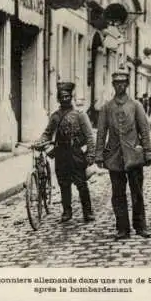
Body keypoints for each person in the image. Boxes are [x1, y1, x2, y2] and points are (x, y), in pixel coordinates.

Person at [95, 67, 151, 240]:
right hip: (114, 157)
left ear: (127, 85)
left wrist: (148, 153)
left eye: (123, 83)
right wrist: (99, 154)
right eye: (117, 83)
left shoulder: (136, 106)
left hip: (134, 157)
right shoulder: (107, 107)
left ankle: (140, 226)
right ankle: (122, 228)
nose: (120, 86)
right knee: (117, 194)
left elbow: (144, 130)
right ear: (113, 85)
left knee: (137, 193)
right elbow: (101, 132)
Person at [36, 82, 95, 223]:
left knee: (81, 184)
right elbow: (47, 133)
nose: (64, 99)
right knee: (64, 183)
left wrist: (91, 154)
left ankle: (88, 212)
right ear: (58, 98)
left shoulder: (80, 115)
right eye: (62, 96)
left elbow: (89, 136)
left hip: (76, 153)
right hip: (61, 153)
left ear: (71, 97)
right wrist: (41, 141)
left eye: (67, 96)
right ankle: (67, 211)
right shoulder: (55, 116)